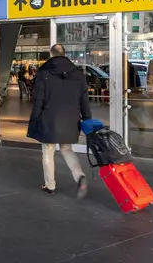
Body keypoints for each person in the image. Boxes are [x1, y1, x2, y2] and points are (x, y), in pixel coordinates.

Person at [27, 44, 91, 198]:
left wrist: (34, 118)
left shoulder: (44, 72)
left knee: (48, 150)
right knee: (66, 149)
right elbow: (84, 99)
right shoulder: (77, 73)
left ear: (51, 54)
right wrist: (87, 118)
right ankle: (79, 176)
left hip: (49, 117)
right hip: (70, 118)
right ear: (65, 54)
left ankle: (50, 185)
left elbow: (38, 99)